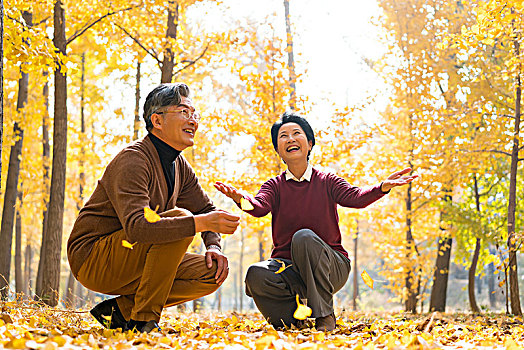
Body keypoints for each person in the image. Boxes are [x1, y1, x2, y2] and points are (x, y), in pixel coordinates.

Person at [214, 112, 417, 331]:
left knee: (304, 237)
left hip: (331, 266)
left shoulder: (327, 181)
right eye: (283, 136)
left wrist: (382, 187)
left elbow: (356, 198)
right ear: (278, 149)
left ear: (309, 144)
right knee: (256, 273)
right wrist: (239, 199)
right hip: (288, 269)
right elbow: (258, 207)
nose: (290, 139)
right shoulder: (274, 186)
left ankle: (325, 317)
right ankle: (292, 322)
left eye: (296, 134)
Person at [67, 83, 240, 333]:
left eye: (195, 114)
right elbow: (138, 228)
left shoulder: (180, 166)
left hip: (134, 256)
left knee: (210, 272)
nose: (193, 121)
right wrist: (200, 223)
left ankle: (119, 312)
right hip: (94, 258)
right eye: (183, 112)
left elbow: (205, 208)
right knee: (181, 219)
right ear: (157, 121)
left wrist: (213, 245)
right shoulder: (133, 159)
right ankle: (143, 322)